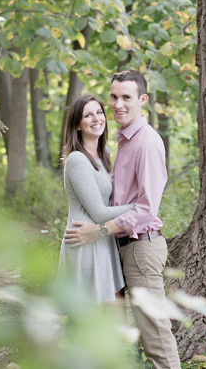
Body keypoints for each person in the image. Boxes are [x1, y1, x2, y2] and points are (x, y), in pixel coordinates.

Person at [64, 70, 181, 369]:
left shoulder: (146, 143)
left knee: (155, 335)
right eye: (113, 97)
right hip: (122, 248)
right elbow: (118, 200)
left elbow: (146, 210)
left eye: (126, 97)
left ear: (142, 100)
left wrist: (100, 229)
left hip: (141, 247)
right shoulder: (122, 142)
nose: (118, 104)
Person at [58, 94, 135, 305]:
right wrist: (139, 207)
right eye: (88, 115)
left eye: (99, 113)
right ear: (77, 125)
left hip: (103, 238)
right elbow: (99, 213)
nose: (96, 119)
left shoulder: (105, 154)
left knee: (115, 319)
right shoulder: (77, 160)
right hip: (86, 243)